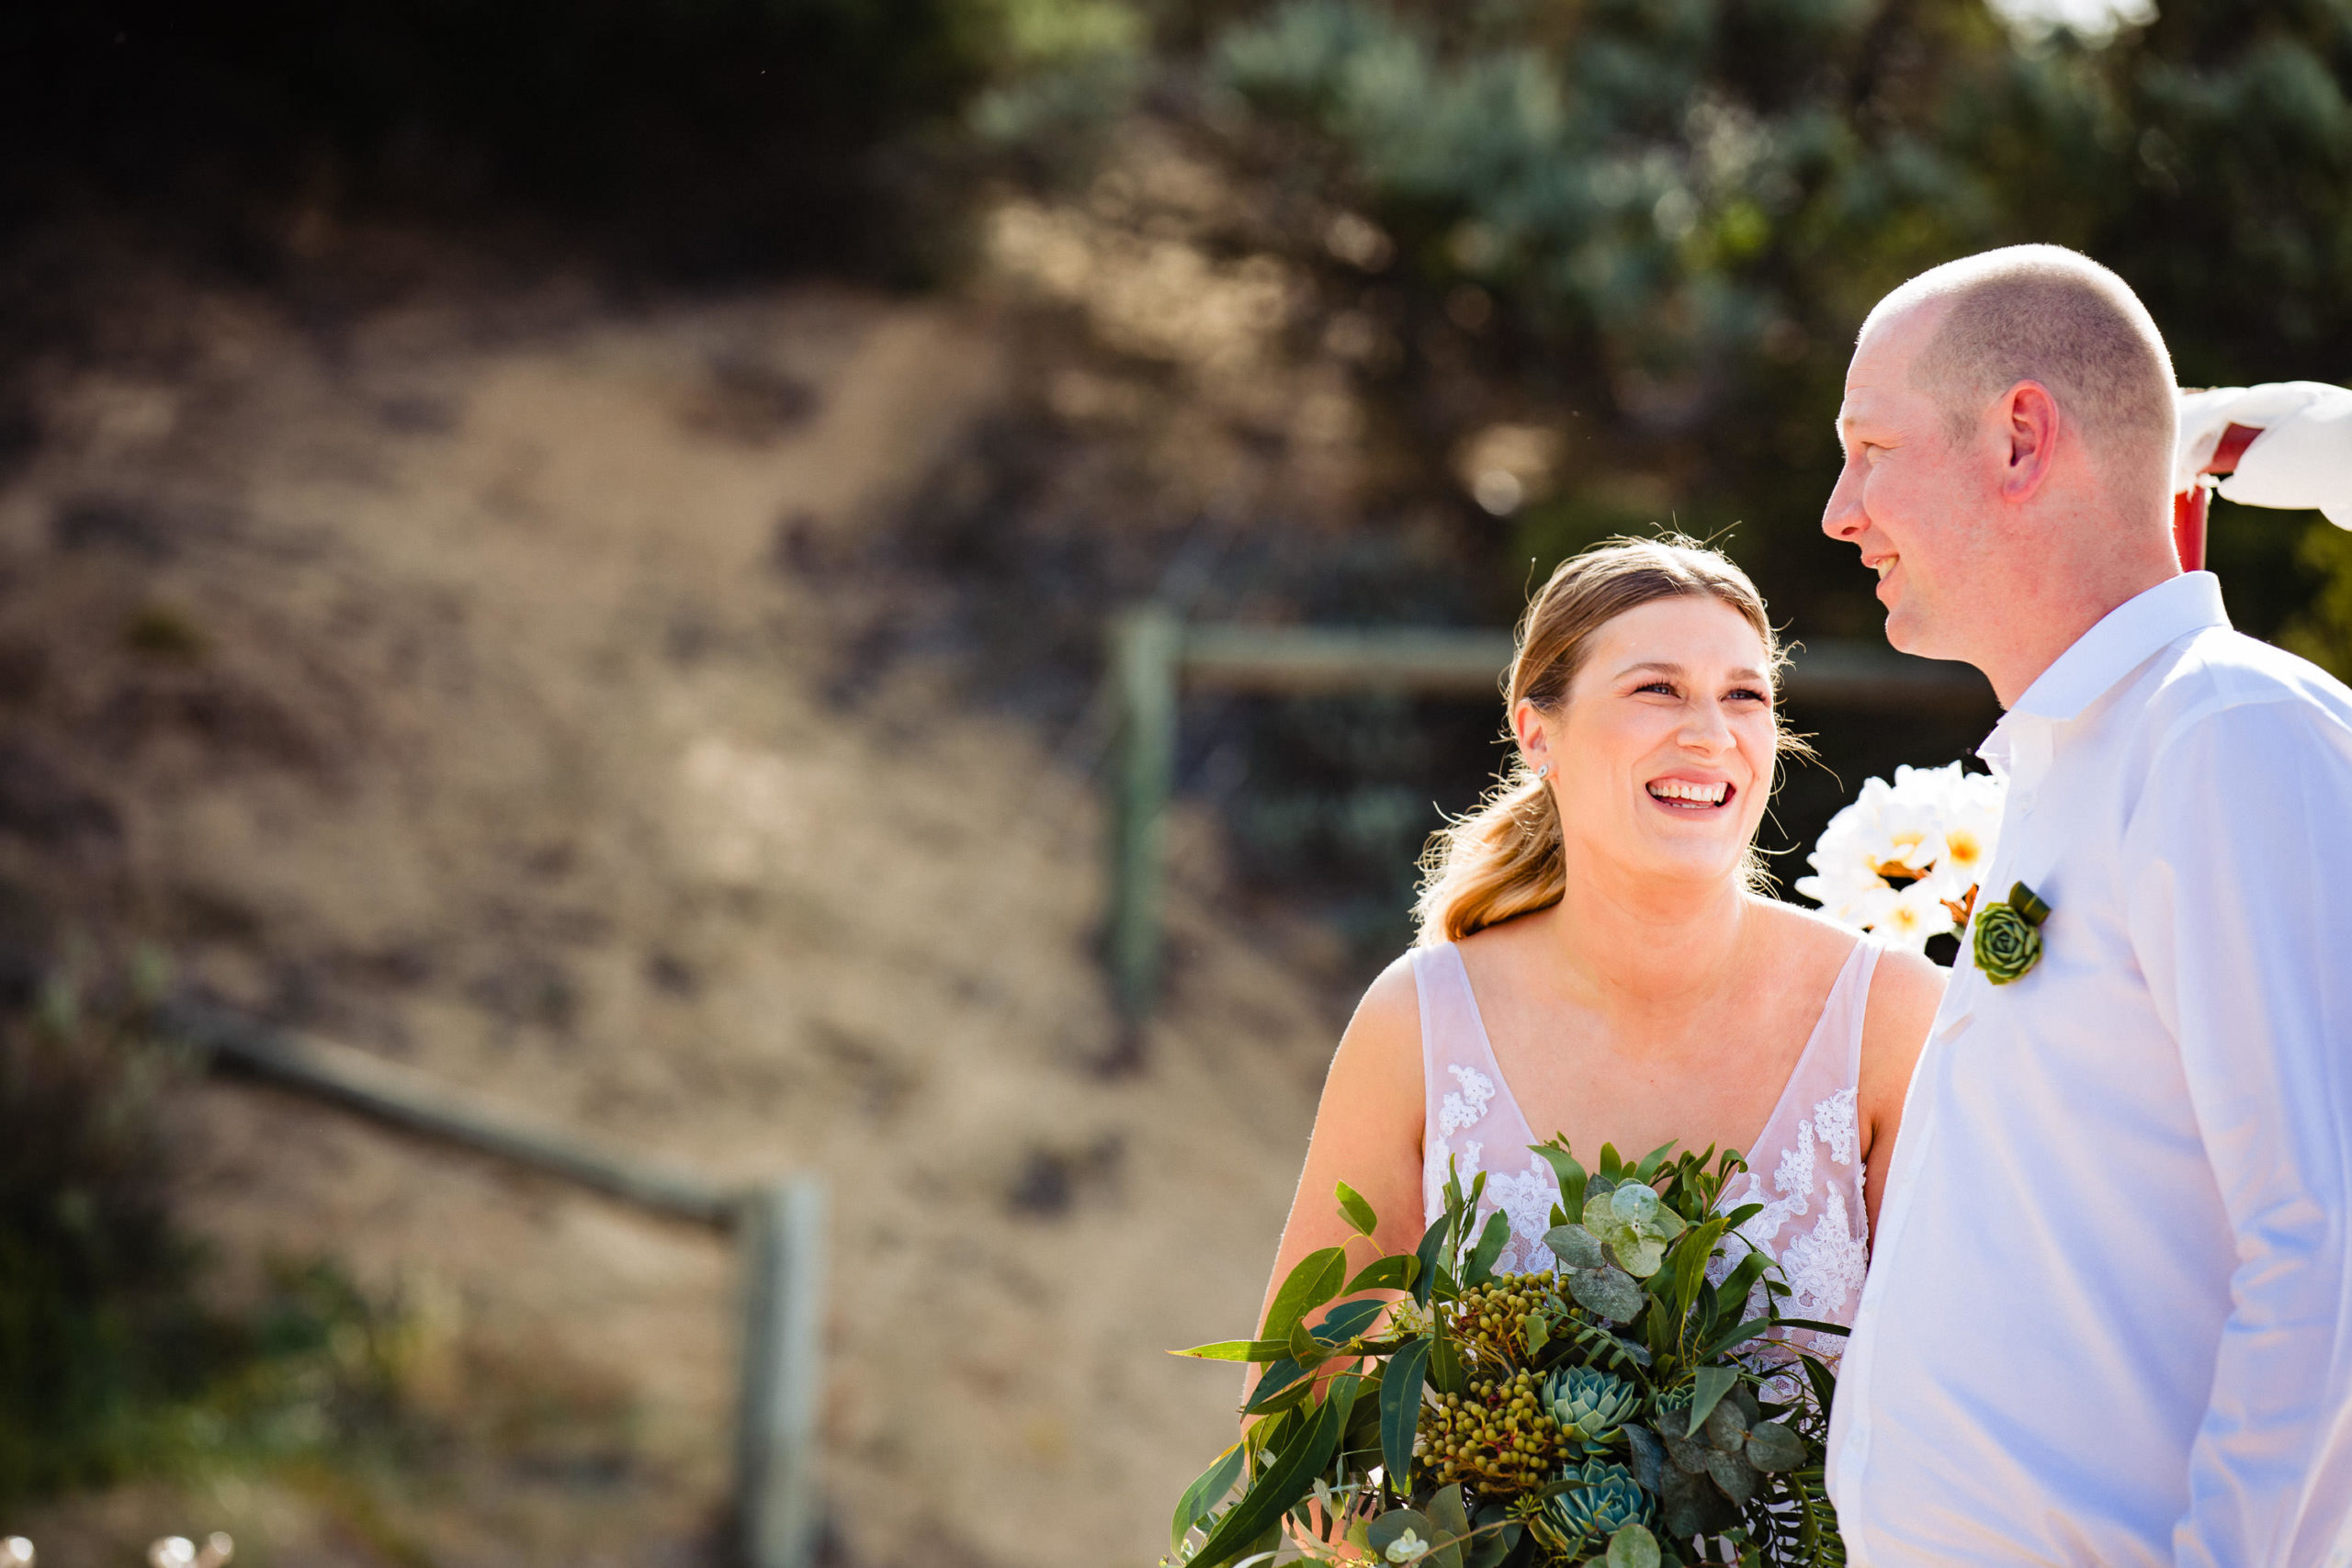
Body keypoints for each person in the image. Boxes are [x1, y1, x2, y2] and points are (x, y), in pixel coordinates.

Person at [1821, 245, 2352, 1565]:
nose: (1840, 510)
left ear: (2019, 438)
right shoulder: (2082, 763)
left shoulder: (2229, 734)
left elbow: (2328, 1242)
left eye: (1871, 447)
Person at [1253, 539, 1943, 1390]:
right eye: (1658, 689)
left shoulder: (1894, 1017)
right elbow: (1293, 1413)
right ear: (1537, 731)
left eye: (1745, 695)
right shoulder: (1418, 1022)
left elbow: (1975, 1393)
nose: (1710, 732)